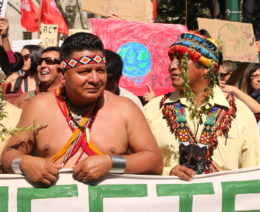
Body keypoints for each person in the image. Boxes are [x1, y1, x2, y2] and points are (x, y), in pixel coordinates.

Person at [1, 32, 162, 186]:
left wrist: (111, 163)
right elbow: (8, 156)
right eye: (84, 71)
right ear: (63, 75)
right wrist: (23, 163)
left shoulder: (125, 108)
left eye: (100, 70)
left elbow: (155, 162)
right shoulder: (38, 106)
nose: (95, 79)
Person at [144, 31, 260, 180]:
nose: (172, 66)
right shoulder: (154, 110)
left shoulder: (240, 113)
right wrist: (168, 172)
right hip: (170, 200)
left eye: (182, 60)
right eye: (172, 59)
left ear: (207, 68)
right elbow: (136, 163)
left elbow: (252, 175)